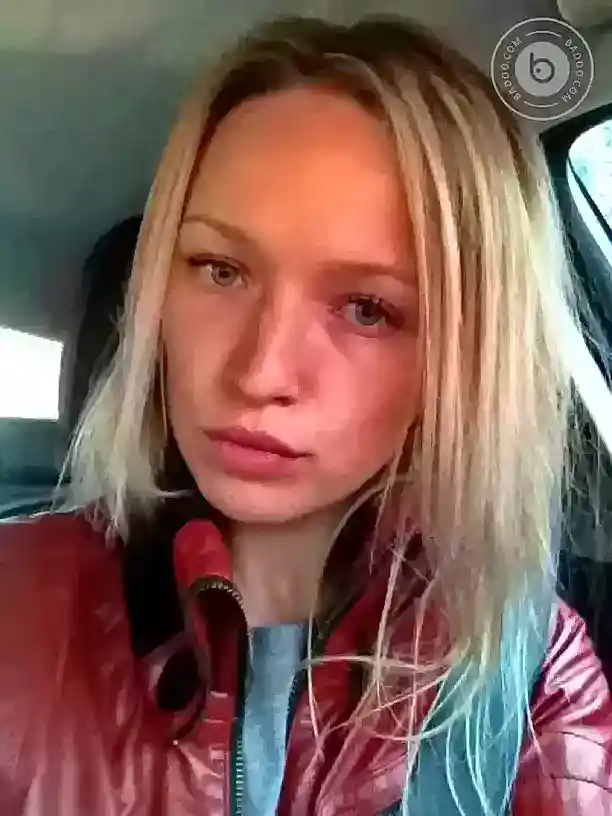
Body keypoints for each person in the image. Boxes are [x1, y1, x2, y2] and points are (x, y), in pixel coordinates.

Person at [1, 15, 612, 816]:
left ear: (463, 359)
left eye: (367, 309)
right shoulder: (15, 605)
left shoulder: (532, 679)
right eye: (219, 269)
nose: (260, 373)